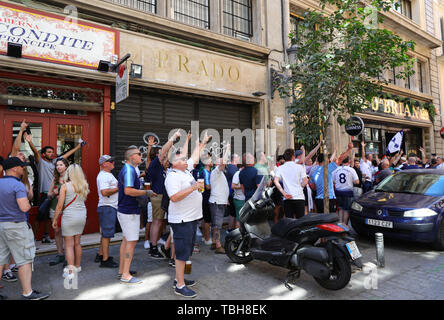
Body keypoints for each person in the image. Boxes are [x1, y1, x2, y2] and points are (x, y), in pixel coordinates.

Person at [164, 132, 210, 298]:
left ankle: (179, 278)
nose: (186, 160)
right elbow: (174, 197)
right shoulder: (172, 177)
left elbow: (195, 158)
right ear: (174, 163)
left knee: (186, 251)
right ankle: (180, 285)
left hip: (190, 219)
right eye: (182, 159)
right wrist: (193, 188)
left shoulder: (185, 172)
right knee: (182, 252)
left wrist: (203, 143)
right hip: (181, 220)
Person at [0, 157, 49, 300]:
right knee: (25, 260)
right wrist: (29, 202)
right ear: (14, 168)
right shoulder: (18, 185)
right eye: (22, 167)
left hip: (1, 225)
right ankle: (27, 293)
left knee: (1, 259)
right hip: (16, 225)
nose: (23, 169)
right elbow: (24, 207)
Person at [27, 132, 84, 244]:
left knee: (50, 217)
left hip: (58, 193)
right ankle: (32, 239)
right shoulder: (41, 163)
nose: (52, 154)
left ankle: (46, 237)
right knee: (40, 216)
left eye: (52, 152)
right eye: (49, 152)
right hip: (45, 193)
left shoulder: (56, 162)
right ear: (43, 154)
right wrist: (30, 142)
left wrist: (78, 146)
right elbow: (35, 152)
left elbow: (67, 155)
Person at [117, 146, 156, 284]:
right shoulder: (128, 170)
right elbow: (128, 191)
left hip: (126, 210)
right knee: (131, 242)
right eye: (139, 154)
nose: (141, 156)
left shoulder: (130, 170)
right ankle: (126, 275)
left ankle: (123, 270)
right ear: (132, 157)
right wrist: (147, 192)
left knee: (127, 240)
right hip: (129, 211)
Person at [147, 131, 184, 259]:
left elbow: (167, 156)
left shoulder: (164, 168)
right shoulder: (155, 165)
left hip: (163, 197)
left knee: (160, 222)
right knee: (156, 222)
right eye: (162, 157)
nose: (165, 160)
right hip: (158, 197)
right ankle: (153, 247)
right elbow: (164, 152)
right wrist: (172, 139)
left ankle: (161, 245)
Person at [52, 164, 89, 280]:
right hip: (82, 215)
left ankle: (70, 271)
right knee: (77, 242)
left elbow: (59, 206)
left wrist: (55, 219)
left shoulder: (65, 186)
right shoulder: (84, 185)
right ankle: (77, 266)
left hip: (69, 216)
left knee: (68, 245)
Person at [310, 142, 353, 213]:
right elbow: (340, 159)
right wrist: (349, 149)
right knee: (330, 221)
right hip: (328, 199)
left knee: (322, 221)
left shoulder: (314, 172)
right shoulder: (327, 168)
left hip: (319, 199)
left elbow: (313, 187)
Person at [95, 155, 119, 268]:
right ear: (104, 164)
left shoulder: (106, 175)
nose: (113, 162)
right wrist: (120, 188)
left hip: (108, 207)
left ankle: (101, 254)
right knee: (106, 234)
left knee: (105, 233)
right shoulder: (104, 176)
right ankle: (105, 260)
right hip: (107, 206)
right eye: (110, 161)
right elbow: (104, 192)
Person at [47, 157, 70, 266]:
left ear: (66, 166)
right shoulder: (55, 179)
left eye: (61, 165)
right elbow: (49, 194)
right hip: (55, 208)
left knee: (67, 233)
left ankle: (69, 256)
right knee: (57, 231)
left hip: (67, 209)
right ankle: (60, 254)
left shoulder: (71, 178)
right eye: (57, 165)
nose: (58, 167)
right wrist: (54, 193)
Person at [274, 148, 308, 219]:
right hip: (299, 197)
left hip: (287, 198)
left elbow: (275, 181)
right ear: (293, 157)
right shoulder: (300, 167)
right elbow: (305, 181)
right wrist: (300, 187)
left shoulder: (281, 168)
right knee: (300, 221)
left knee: (290, 222)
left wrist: (284, 193)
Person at [208, 145, 230, 254]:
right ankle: (218, 246)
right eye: (221, 162)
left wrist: (226, 199)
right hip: (217, 203)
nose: (224, 163)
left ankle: (213, 242)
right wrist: (227, 150)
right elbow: (223, 163)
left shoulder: (219, 173)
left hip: (219, 201)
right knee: (217, 225)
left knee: (215, 224)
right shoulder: (216, 171)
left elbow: (222, 187)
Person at [332, 157, 359, 225]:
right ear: (349, 161)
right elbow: (357, 182)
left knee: (340, 208)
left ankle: (340, 224)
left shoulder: (336, 169)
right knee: (346, 209)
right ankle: (345, 225)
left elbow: (332, 181)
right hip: (348, 192)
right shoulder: (351, 169)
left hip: (338, 191)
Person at [231, 163, 245, 228]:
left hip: (243, 199)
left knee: (243, 219)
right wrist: (242, 186)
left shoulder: (243, 173)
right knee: (239, 220)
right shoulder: (237, 173)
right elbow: (233, 186)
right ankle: (238, 236)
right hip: (239, 199)